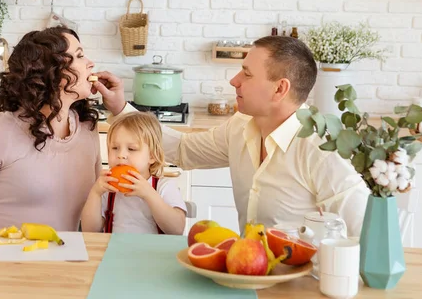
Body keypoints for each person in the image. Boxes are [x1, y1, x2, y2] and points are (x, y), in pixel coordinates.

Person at [94, 36, 370, 236]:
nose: (234, 80)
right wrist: (120, 108)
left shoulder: (320, 148)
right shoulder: (240, 126)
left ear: (279, 89)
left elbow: (364, 232)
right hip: (248, 275)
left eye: (246, 74)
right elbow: (184, 149)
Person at [0, 26, 105, 230]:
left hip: (60, 258)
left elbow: (96, 218)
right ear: (51, 73)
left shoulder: (87, 128)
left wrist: (119, 108)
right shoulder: (0, 132)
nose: (90, 63)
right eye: (79, 56)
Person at [81, 112, 186, 235]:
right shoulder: (108, 189)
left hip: (152, 253)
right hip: (114, 252)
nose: (121, 155)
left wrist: (149, 194)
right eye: (115, 148)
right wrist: (95, 193)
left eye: (131, 149)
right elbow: (89, 231)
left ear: (152, 156)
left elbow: (177, 229)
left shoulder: (164, 187)